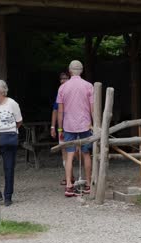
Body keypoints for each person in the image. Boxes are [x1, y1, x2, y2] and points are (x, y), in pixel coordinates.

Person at [57, 60, 93, 197]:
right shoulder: (89, 86)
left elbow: (60, 111)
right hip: (85, 124)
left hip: (68, 125)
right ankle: (89, 184)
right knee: (86, 154)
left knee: (70, 155)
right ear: (81, 70)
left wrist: (60, 129)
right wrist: (94, 124)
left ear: (70, 71)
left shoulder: (63, 88)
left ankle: (68, 186)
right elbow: (92, 108)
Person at [0, 80, 23, 206]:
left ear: (1, 91)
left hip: (9, 139)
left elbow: (19, 121)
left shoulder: (12, 103)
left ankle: (8, 196)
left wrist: (11, 130)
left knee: (8, 168)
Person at [50, 72, 73, 185]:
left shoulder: (73, 92)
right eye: (61, 79)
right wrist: (53, 126)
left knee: (79, 152)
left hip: (74, 126)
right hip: (62, 128)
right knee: (64, 151)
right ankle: (68, 177)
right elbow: (55, 110)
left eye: (65, 78)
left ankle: (84, 177)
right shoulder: (60, 92)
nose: (63, 80)